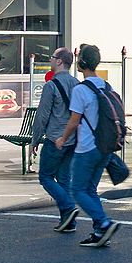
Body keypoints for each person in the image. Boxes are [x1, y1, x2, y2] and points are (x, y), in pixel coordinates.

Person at [57, 43, 121, 248]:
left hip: (87, 148)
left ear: (81, 62)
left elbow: (74, 120)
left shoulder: (81, 89)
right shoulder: (106, 86)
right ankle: (99, 231)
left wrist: (62, 139)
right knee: (90, 189)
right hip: (106, 146)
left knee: (77, 190)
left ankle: (103, 221)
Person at [32, 47, 80, 232]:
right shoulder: (77, 84)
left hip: (55, 139)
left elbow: (42, 115)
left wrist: (35, 140)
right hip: (72, 139)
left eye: (52, 57)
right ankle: (68, 222)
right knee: (64, 179)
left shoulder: (50, 86)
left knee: (45, 176)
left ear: (59, 61)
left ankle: (68, 206)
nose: (50, 60)